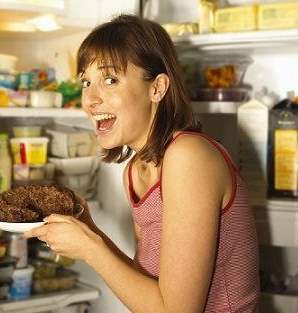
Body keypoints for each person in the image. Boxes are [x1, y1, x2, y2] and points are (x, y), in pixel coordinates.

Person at [24, 14, 260, 313]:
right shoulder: (136, 171)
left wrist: (90, 249)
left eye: (109, 80)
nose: (90, 99)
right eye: (86, 81)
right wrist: (90, 232)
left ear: (157, 88)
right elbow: (149, 293)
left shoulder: (189, 157)